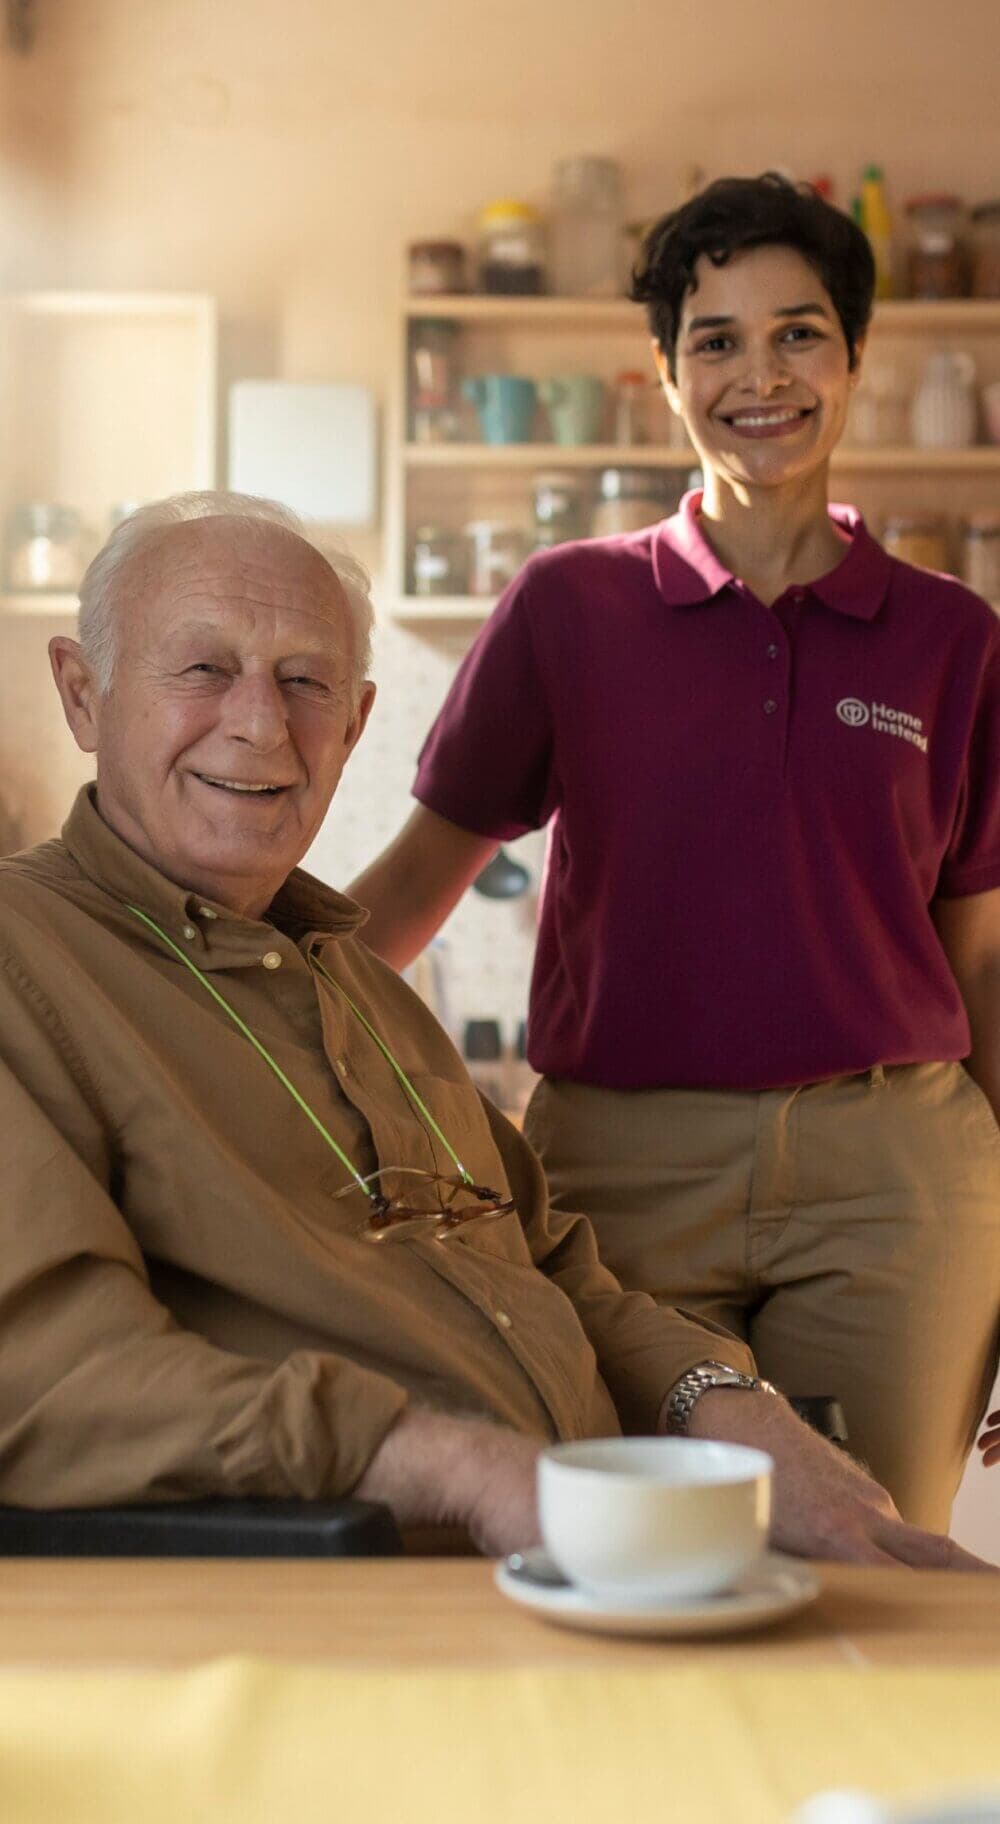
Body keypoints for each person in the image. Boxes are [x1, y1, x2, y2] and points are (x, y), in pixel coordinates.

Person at [0, 488, 987, 1571]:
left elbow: (557, 1267)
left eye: (305, 682)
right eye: (202, 669)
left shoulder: (358, 985)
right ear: (81, 693)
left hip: (597, 1565)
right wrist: (462, 1472)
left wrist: (735, 1418)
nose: (261, 724)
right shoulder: (25, 962)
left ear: (357, 725)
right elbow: (53, 1381)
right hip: (378, 1605)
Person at [349, 175, 1000, 1536]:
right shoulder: (566, 607)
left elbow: (980, 963)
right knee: (641, 1554)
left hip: (898, 1181)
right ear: (664, 375)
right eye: (716, 339)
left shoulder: (953, 638)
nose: (760, 374)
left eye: (799, 334)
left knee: (879, 1565)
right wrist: (200, 1000)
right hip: (621, 1183)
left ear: (855, 359)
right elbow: (407, 896)